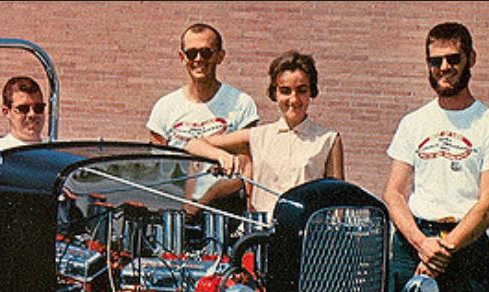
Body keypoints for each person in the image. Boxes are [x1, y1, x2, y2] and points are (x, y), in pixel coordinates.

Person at [383, 22, 489, 292]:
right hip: (412, 246)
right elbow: (394, 193)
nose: (444, 67)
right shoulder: (414, 123)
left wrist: (442, 250)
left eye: (453, 58)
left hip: (466, 248)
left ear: (471, 58)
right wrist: (421, 244)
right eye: (435, 60)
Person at [184, 50, 344, 214]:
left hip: (306, 234)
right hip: (261, 232)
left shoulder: (328, 140)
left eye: (301, 90)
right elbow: (193, 144)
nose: (294, 99)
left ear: (312, 92)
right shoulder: (258, 136)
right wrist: (223, 156)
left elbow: (338, 205)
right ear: (275, 92)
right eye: (285, 90)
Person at [146, 23, 259, 210]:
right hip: (173, 210)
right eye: (191, 53)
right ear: (182, 57)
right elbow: (156, 168)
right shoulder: (164, 107)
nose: (198, 59)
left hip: (224, 210)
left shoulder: (241, 104)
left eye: (206, 52)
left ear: (220, 56)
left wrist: (206, 199)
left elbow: (247, 166)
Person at [0, 76, 46, 159]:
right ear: (6, 112)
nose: (32, 114)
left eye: (38, 108)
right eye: (23, 109)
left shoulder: (55, 151)